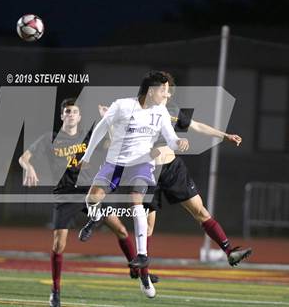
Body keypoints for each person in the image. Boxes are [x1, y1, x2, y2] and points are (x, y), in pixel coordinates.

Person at [81, 71, 252, 273]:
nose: (168, 95)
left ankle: (229, 251)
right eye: (164, 90)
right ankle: (142, 270)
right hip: (148, 170)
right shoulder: (132, 108)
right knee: (147, 225)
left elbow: (195, 125)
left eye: (169, 91)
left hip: (172, 169)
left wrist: (224, 136)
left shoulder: (168, 109)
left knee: (200, 212)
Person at [18, 98, 157, 307]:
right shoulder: (50, 138)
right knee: (58, 245)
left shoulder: (89, 136)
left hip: (89, 193)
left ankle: (134, 267)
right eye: (67, 111)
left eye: (74, 111)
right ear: (62, 116)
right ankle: (55, 291)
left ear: (79, 116)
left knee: (120, 229)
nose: (71, 114)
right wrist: (28, 167)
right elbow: (23, 158)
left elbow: (114, 141)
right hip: (65, 195)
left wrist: (107, 119)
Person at [78, 71, 189, 298]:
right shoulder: (122, 106)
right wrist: (87, 156)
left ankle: (142, 257)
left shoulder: (160, 111)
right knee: (92, 198)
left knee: (136, 202)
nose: (166, 94)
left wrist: (179, 141)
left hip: (141, 164)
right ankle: (96, 216)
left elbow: (170, 138)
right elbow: (100, 129)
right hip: (115, 163)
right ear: (151, 91)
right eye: (163, 90)